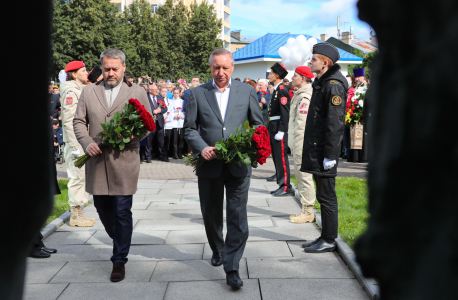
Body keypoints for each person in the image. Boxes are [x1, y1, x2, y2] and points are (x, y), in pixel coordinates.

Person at [184, 48, 263, 289]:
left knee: (238, 217)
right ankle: (217, 249)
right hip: (209, 165)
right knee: (211, 214)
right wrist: (201, 148)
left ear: (232, 68)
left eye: (225, 67)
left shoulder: (247, 91)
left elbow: (258, 126)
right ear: (210, 68)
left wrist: (250, 148)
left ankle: (232, 267)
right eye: (216, 67)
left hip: (238, 165)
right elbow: (189, 128)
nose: (221, 72)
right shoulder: (197, 93)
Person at [73, 48, 153, 282]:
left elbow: (148, 123)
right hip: (97, 161)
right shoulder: (89, 91)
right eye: (106, 68)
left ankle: (119, 260)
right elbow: (78, 121)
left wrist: (129, 137)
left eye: (115, 69)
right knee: (102, 209)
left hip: (124, 161)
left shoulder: (137, 91)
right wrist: (87, 143)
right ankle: (120, 238)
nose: (110, 73)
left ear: (124, 68)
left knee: (121, 210)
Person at [300, 42, 348, 253]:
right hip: (318, 148)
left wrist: (330, 155)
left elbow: (334, 124)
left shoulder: (333, 85)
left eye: (314, 59)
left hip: (324, 151)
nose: (310, 62)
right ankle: (325, 235)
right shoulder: (323, 82)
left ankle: (329, 239)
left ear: (325, 63)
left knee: (327, 196)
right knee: (322, 195)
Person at [59, 61, 95, 227]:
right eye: (83, 70)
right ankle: (75, 214)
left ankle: (79, 212)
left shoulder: (80, 89)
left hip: (81, 140)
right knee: (76, 176)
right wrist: (75, 146)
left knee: (82, 176)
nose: (86, 72)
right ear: (74, 74)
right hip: (75, 142)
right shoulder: (71, 91)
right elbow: (69, 121)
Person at [288, 66, 316, 223]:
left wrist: (298, 146)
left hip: (301, 142)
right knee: (299, 175)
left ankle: (308, 211)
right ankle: (305, 209)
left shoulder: (305, 95)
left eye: (295, 76)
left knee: (304, 176)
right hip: (297, 142)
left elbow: (302, 124)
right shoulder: (299, 94)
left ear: (303, 78)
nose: (292, 78)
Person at [266, 63, 293, 196]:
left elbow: (285, 112)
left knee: (282, 158)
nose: (269, 75)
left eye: (270, 73)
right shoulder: (277, 89)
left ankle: (286, 186)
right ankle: (281, 184)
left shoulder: (282, 90)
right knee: (277, 157)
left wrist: (282, 130)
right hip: (274, 126)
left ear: (277, 75)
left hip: (278, 128)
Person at [347, 68, 368, 163]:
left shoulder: (367, 88)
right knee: (354, 136)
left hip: (364, 116)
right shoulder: (354, 88)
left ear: (363, 77)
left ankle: (363, 157)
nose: (357, 79)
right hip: (353, 116)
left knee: (364, 137)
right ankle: (354, 157)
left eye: (359, 77)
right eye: (356, 77)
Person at [145, 83, 168, 162]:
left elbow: (165, 108)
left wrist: (160, 110)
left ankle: (163, 155)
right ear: (150, 91)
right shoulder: (146, 98)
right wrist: (152, 111)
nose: (157, 91)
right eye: (155, 90)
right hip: (151, 123)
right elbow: (144, 109)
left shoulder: (159, 97)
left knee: (161, 140)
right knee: (149, 140)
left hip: (160, 123)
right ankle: (148, 156)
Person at [170, 87, 185, 159]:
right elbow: (169, 111)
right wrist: (174, 115)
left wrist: (181, 115)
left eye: (177, 93)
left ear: (179, 93)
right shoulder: (170, 101)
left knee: (181, 139)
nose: (176, 95)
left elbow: (185, 111)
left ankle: (180, 153)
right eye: (174, 93)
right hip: (174, 122)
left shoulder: (182, 101)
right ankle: (175, 153)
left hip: (181, 122)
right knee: (175, 139)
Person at [163, 86, 174, 158]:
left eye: (165, 91)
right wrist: (163, 118)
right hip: (162, 122)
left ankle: (167, 153)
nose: (164, 93)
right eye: (163, 91)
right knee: (162, 140)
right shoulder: (159, 100)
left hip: (168, 123)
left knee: (168, 139)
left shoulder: (170, 101)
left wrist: (168, 119)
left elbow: (171, 112)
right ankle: (161, 153)